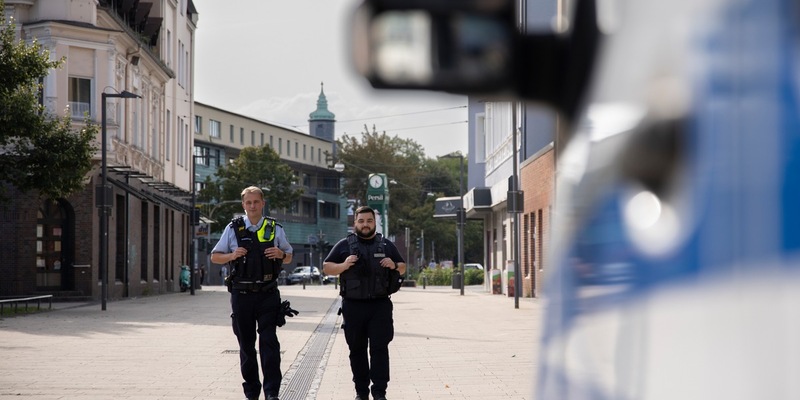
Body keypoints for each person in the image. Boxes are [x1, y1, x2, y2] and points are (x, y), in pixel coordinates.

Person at [210, 186, 293, 400]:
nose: (253, 206)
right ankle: (252, 393)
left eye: (256, 202)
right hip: (242, 295)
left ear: (263, 203)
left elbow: (289, 256)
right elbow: (215, 256)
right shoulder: (233, 229)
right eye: (249, 202)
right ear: (243, 205)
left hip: (267, 294)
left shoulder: (274, 228)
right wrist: (231, 255)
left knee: (269, 343)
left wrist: (281, 254)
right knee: (246, 346)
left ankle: (272, 392)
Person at [323, 206, 406, 400]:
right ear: (355, 223)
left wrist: (394, 265)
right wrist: (344, 265)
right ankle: (361, 392)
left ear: (374, 223)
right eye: (361, 221)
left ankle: (379, 392)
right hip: (353, 306)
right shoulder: (344, 245)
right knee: (357, 350)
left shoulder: (385, 245)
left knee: (379, 349)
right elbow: (326, 267)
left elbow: (402, 267)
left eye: (369, 221)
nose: (365, 225)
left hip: (380, 306)